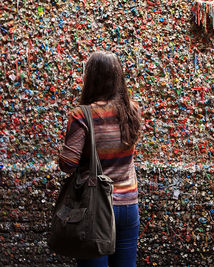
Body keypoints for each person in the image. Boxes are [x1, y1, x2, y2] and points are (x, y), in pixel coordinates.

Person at [58, 51, 142, 267]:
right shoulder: (132, 111)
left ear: (91, 78)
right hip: (128, 205)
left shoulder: (81, 115)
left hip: (95, 208)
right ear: (118, 78)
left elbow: (67, 164)